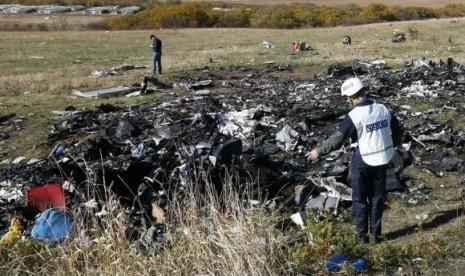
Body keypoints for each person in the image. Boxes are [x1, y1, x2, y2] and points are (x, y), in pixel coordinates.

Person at [306, 77, 403, 244]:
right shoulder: (382, 109)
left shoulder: (355, 116)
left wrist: (319, 151)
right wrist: (391, 146)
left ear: (351, 97)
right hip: (382, 159)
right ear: (363, 92)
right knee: (377, 197)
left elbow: (337, 139)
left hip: (362, 160)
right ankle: (376, 235)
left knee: (359, 198)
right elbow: (398, 130)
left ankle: (362, 236)